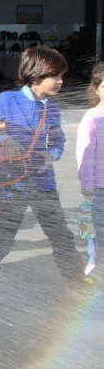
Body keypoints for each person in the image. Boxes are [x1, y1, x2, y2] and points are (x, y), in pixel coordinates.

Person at [0, 47, 92, 299]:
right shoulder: (8, 99)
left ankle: (76, 280)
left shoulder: (53, 109)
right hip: (12, 183)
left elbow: (58, 141)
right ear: (36, 75)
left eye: (62, 76)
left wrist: (51, 156)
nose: (61, 82)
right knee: (4, 235)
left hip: (43, 183)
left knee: (61, 235)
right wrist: (1, 136)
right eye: (56, 76)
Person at [76, 62, 104, 277]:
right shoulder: (92, 118)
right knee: (97, 230)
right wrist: (87, 184)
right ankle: (95, 264)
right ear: (96, 88)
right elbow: (84, 155)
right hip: (99, 188)